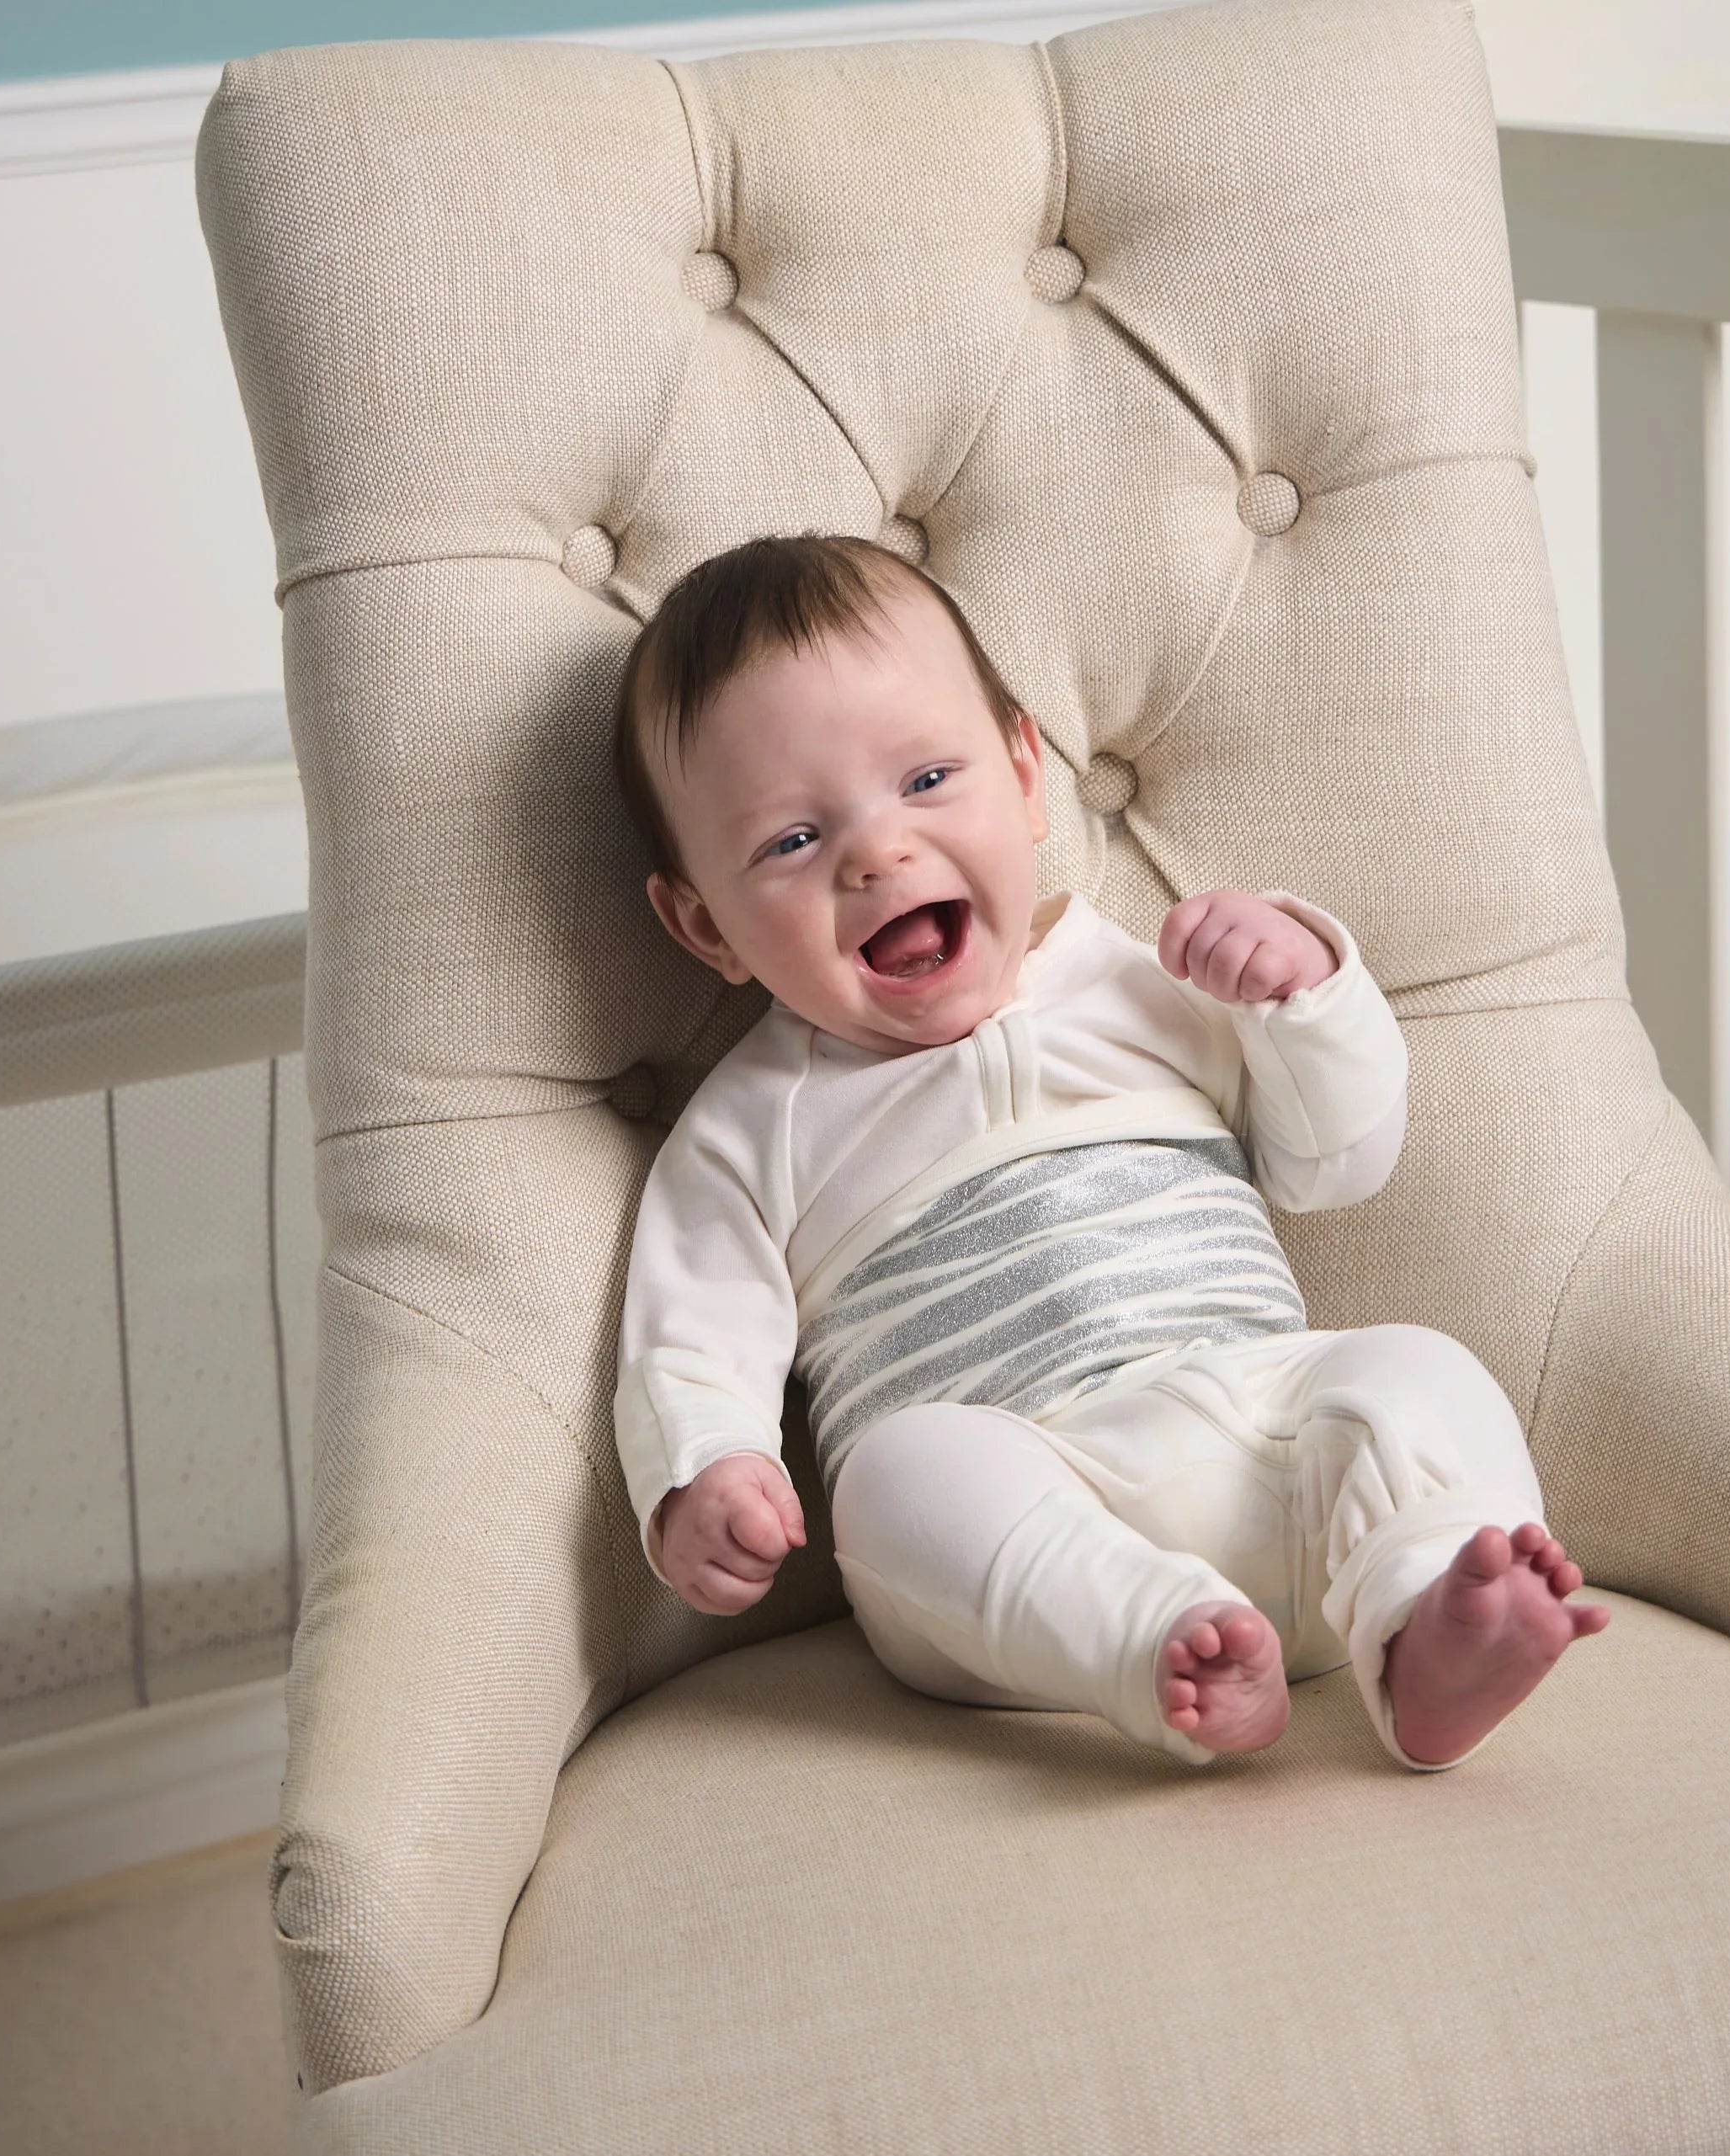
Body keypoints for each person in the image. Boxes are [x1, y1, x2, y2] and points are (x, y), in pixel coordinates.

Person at [609, 532, 1609, 1771]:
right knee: (895, 1479)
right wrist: (704, 1471)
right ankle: (1156, 1643)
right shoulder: (751, 1122)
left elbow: (1335, 1159)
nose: (877, 852)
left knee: (1416, 1368)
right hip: (1028, 1524)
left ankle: (1429, 1615)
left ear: (1026, 773)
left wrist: (1303, 995)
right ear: (704, 923)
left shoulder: (1154, 987)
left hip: (1277, 1456)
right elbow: (689, 1333)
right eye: (791, 842)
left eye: (926, 777)